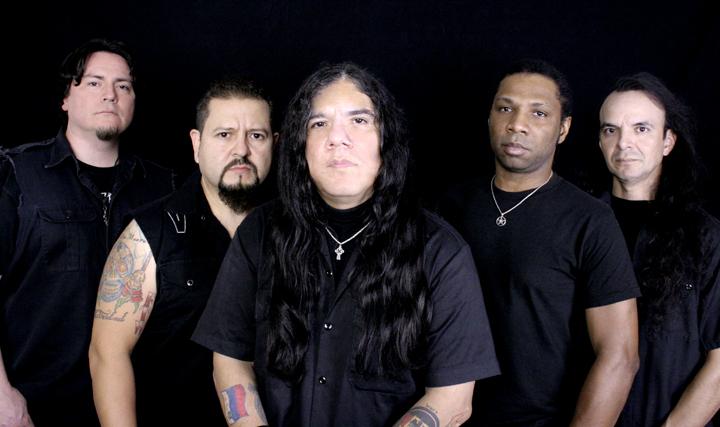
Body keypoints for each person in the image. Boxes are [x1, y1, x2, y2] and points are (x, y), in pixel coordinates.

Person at [192, 62, 500, 426]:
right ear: (300, 145)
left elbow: (454, 398)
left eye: (359, 120)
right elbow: (229, 359)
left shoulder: (440, 252)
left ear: (385, 138)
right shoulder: (258, 232)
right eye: (319, 123)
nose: (337, 138)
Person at [440, 59, 641, 426]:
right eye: (505, 108)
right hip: (449, 414)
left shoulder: (590, 220)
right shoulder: (450, 206)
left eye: (539, 113)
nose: (517, 124)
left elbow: (619, 356)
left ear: (563, 129)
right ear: (489, 117)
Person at [0, 39, 175, 427]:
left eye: (123, 85)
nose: (110, 94)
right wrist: (2, 395)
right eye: (94, 82)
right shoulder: (18, 174)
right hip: (36, 407)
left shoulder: (164, 187)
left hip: (136, 408)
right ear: (66, 97)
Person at [88, 77, 276, 426]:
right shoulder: (149, 234)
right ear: (197, 144)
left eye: (256, 135)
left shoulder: (294, 234)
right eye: (225, 134)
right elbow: (107, 354)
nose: (241, 150)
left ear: (274, 144)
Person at [598, 72, 720, 426]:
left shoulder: (704, 236)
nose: (624, 143)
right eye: (611, 130)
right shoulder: (577, 228)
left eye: (641, 129)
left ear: (668, 141)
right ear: (600, 141)